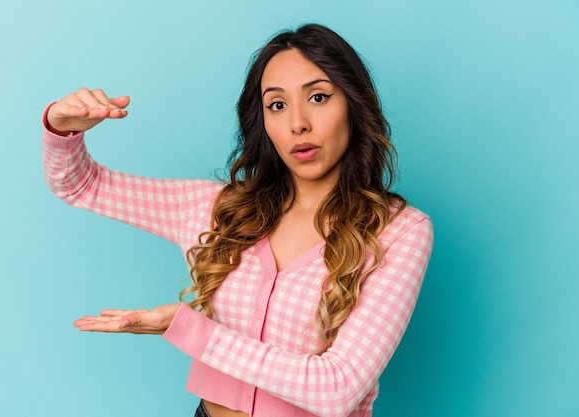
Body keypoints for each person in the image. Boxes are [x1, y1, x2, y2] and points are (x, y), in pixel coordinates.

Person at [42, 23, 433, 417]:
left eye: (318, 97)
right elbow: (80, 185)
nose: (298, 123)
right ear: (262, 121)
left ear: (352, 103)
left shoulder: (400, 232)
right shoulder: (216, 209)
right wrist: (62, 129)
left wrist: (187, 328)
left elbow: (336, 390)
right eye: (277, 105)